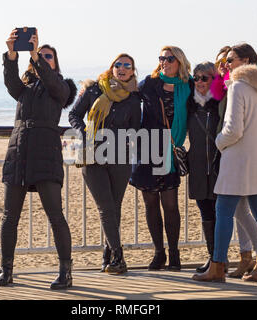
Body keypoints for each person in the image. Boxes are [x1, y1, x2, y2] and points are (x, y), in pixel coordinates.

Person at [0, 28, 77, 289]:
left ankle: (66, 272)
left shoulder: (62, 87)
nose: (42, 57)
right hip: (18, 150)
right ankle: (6, 270)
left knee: (55, 214)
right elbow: (11, 84)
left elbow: (54, 85)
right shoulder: (25, 87)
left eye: (48, 56)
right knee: (10, 216)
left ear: (55, 62)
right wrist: (11, 54)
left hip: (46, 153)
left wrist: (34, 57)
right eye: (41, 54)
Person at [193, 43, 257, 283]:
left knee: (223, 211)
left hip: (239, 160)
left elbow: (233, 129)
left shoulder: (238, 86)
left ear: (246, 60)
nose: (226, 65)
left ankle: (217, 267)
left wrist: (219, 142)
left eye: (230, 60)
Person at [69, 53, 141, 274]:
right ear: (112, 67)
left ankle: (107, 256)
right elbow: (74, 114)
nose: (121, 68)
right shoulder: (93, 89)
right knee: (105, 208)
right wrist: (86, 133)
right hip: (92, 156)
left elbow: (136, 128)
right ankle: (119, 257)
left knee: (115, 208)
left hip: (119, 157)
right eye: (118, 64)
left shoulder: (132, 98)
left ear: (132, 72)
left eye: (126, 66)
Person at [130, 46, 193, 271]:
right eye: (161, 58)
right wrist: (89, 91)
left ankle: (174, 253)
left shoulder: (189, 85)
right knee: (150, 204)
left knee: (170, 204)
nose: (164, 61)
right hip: (147, 147)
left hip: (170, 148)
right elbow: (125, 97)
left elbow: (209, 101)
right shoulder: (149, 83)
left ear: (179, 62)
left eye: (169, 58)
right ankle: (159, 253)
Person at [186, 62, 223, 274]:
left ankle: (220, 260)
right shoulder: (190, 105)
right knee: (205, 214)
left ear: (214, 79)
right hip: (198, 168)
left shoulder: (221, 104)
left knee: (221, 214)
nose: (199, 82)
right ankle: (213, 259)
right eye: (196, 78)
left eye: (205, 78)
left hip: (219, 167)